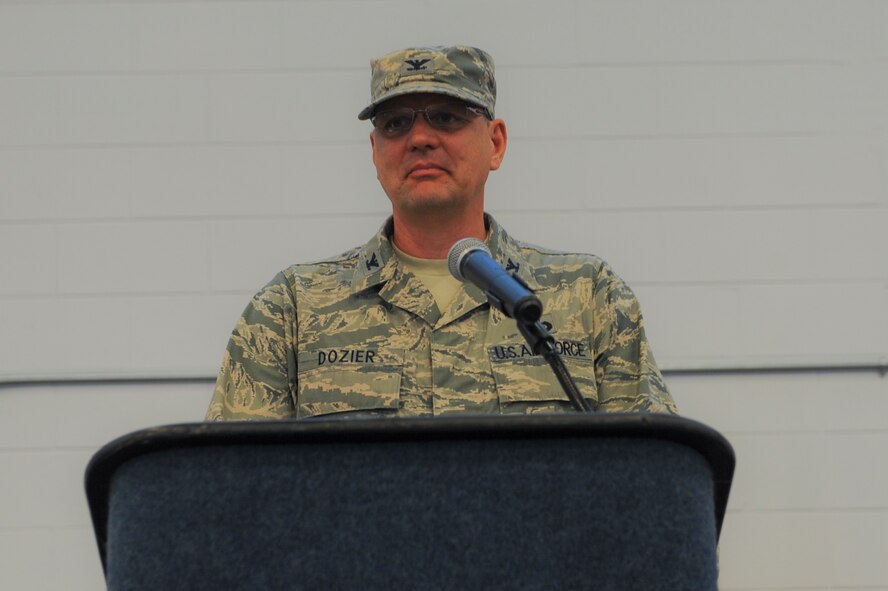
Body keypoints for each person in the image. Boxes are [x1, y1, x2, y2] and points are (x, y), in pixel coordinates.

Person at [206, 45, 676, 421]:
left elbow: (652, 478)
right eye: (395, 123)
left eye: (447, 117)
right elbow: (232, 489)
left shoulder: (587, 294)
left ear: (495, 143)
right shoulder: (294, 306)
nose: (420, 138)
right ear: (375, 151)